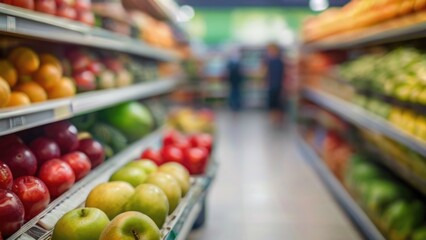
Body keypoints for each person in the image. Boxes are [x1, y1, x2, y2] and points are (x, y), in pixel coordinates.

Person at [264, 43, 285, 124]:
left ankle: (277, 119)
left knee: (277, 103)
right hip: (273, 85)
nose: (269, 52)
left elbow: (278, 75)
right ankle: (274, 119)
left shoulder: (277, 61)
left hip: (276, 86)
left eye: (270, 50)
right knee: (274, 103)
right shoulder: (273, 61)